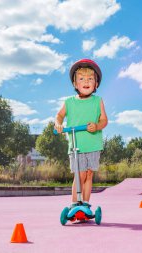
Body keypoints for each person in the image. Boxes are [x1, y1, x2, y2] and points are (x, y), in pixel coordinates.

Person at [54, 59, 108, 209]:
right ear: (75, 84)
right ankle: (74, 204)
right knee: (79, 175)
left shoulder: (98, 101)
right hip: (76, 145)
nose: (86, 81)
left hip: (93, 144)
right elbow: (59, 116)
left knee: (89, 174)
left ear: (96, 84)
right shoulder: (69, 102)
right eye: (82, 78)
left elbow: (104, 120)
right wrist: (58, 124)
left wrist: (97, 126)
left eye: (90, 79)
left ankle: (85, 204)